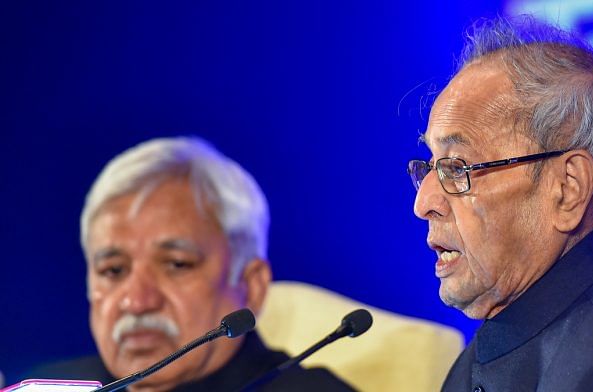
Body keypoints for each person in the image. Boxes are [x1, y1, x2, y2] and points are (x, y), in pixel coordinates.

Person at [407, 16, 593, 391]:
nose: (424, 202)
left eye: (457, 166)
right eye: (430, 165)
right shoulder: (480, 354)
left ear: (567, 189)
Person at [29, 137, 354, 391]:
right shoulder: (50, 385)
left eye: (176, 264)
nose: (135, 301)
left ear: (251, 286)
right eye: (113, 270)